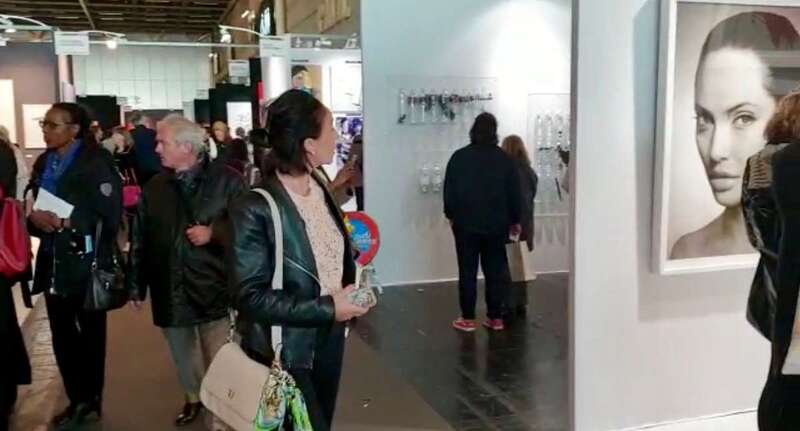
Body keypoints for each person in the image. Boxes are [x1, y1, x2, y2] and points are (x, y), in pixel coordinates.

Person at [228, 89, 370, 431]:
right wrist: (328, 307)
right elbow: (249, 296)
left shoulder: (319, 184)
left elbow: (321, 249)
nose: (337, 135)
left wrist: (352, 282)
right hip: (286, 347)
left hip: (330, 335)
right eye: (330, 128)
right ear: (308, 145)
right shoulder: (254, 207)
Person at [127, 114, 246, 428]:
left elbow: (250, 229)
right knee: (182, 354)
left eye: (162, 142)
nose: (156, 149)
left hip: (214, 287)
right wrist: (135, 284)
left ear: (186, 147)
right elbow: (140, 238)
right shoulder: (155, 187)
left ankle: (221, 413)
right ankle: (193, 397)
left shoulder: (228, 181)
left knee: (220, 358)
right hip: (168, 285)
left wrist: (214, 233)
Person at [671, 12, 800, 259]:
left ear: (789, 116)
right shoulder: (688, 250)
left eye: (743, 118)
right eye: (704, 120)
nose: (715, 151)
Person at [26, 103, 122, 428]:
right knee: (62, 335)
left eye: (53, 125)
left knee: (91, 335)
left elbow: (110, 212)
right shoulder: (45, 162)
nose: (46, 130)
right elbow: (33, 198)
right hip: (53, 260)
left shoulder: (96, 161)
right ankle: (76, 397)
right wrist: (34, 217)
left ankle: (90, 399)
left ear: (75, 129)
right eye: (44, 124)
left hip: (86, 260)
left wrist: (67, 221)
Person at [747, 91, 800, 431]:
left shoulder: (765, 160)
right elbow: (762, 226)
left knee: (783, 368)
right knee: (785, 372)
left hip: (779, 271)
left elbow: (756, 228)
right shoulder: (775, 161)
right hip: (784, 274)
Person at [444, 113, 521, 332]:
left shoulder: (459, 157)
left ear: (473, 130)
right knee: (495, 270)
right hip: (497, 224)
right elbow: (514, 194)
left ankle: (468, 318)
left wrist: (451, 215)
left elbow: (449, 191)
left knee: (467, 270)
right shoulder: (505, 160)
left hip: (465, 224)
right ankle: (495, 317)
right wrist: (515, 220)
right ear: (495, 131)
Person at [501, 135, 538, 317]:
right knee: (520, 264)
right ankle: (520, 302)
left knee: (506, 266)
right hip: (526, 223)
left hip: (511, 224)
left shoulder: (506, 172)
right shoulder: (529, 171)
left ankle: (508, 303)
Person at [130, 111, 161, 186]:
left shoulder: (130, 134)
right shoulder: (152, 133)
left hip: (138, 168)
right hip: (155, 166)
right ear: (142, 120)